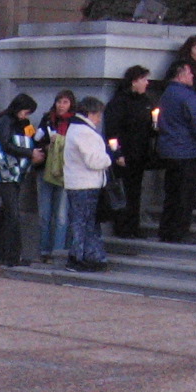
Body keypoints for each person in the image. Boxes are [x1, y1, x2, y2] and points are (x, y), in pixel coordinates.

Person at [0, 94, 43, 270]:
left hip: (8, 174)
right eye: (25, 112)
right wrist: (29, 153)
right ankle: (10, 256)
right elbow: (6, 144)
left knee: (4, 216)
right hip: (6, 174)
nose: (26, 115)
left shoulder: (12, 121)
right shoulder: (7, 121)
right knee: (12, 215)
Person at [155, 59, 196, 243]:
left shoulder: (167, 94)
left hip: (170, 150)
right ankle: (179, 232)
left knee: (172, 194)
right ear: (180, 75)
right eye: (189, 73)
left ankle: (167, 230)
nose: (192, 76)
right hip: (187, 151)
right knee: (185, 195)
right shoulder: (187, 96)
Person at [62, 95, 113, 272]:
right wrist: (109, 157)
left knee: (81, 222)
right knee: (85, 223)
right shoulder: (85, 132)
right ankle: (82, 257)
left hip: (77, 183)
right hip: (86, 184)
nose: (99, 119)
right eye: (98, 115)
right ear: (90, 113)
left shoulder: (74, 129)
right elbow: (94, 161)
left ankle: (82, 256)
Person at [104, 65, 155, 238]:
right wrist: (117, 153)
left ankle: (134, 226)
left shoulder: (145, 101)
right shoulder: (119, 102)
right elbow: (112, 130)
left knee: (136, 191)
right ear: (134, 82)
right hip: (124, 154)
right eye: (144, 80)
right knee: (124, 190)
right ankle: (123, 226)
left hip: (140, 153)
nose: (147, 83)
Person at [34, 89, 76, 263]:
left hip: (65, 170)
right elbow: (36, 139)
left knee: (61, 215)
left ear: (71, 104)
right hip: (46, 169)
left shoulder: (74, 122)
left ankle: (58, 251)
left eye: (65, 102)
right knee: (44, 213)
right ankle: (44, 250)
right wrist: (46, 145)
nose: (61, 105)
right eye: (59, 101)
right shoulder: (47, 120)